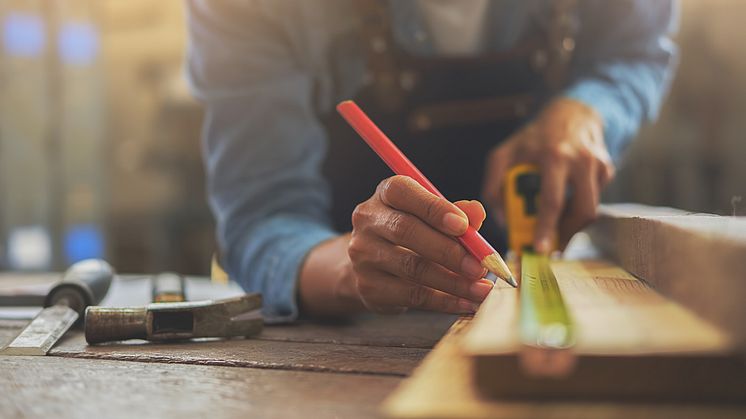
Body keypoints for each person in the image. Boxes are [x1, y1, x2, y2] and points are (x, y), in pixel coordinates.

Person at [186, 0, 677, 321]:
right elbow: (261, 218)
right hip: (363, 338)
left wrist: (589, 111)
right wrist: (350, 266)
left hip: (554, 262)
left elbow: (633, 54)